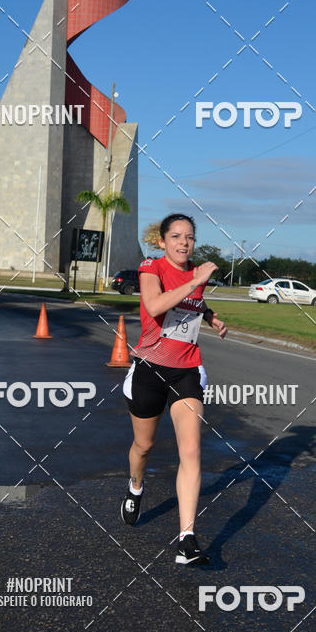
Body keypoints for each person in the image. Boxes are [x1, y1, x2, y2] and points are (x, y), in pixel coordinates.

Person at [121, 213, 227, 566]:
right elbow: (155, 305)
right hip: (150, 368)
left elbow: (193, 302)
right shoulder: (150, 267)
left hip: (187, 370)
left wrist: (210, 316)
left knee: (192, 451)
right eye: (177, 237)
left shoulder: (196, 273)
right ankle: (136, 485)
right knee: (144, 445)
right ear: (163, 241)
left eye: (190, 237)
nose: (184, 243)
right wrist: (196, 280)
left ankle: (187, 539)